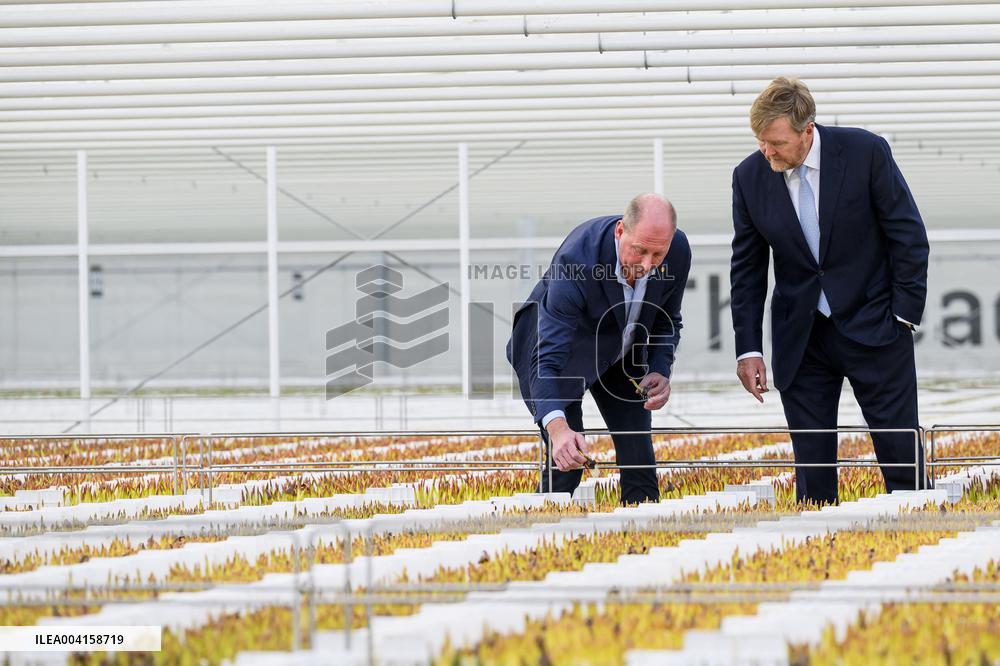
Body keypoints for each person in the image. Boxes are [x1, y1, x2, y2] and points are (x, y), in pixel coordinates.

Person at [730, 77, 929, 504]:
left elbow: (908, 235)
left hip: (876, 325)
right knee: (813, 469)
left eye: (776, 142)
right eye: (761, 141)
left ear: (807, 130)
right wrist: (748, 348)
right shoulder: (748, 176)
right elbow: (747, 268)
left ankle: (921, 530)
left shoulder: (865, 152)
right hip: (800, 338)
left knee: (901, 456)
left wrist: (903, 315)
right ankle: (822, 556)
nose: (767, 152)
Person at [506, 193, 691, 504]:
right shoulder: (577, 260)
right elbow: (547, 358)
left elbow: (666, 319)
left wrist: (660, 368)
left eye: (658, 254)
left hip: (619, 352)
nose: (647, 264)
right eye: (639, 251)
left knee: (638, 456)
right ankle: (542, 537)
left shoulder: (678, 250)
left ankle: (641, 537)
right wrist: (558, 427)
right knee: (567, 459)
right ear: (620, 231)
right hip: (557, 352)